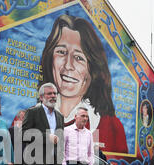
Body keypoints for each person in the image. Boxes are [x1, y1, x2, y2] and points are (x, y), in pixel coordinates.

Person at [40, 14, 128, 154]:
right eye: (61, 52)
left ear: (92, 69)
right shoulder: (31, 116)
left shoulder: (112, 127)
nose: (68, 65)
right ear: (50, 58)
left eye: (79, 57)